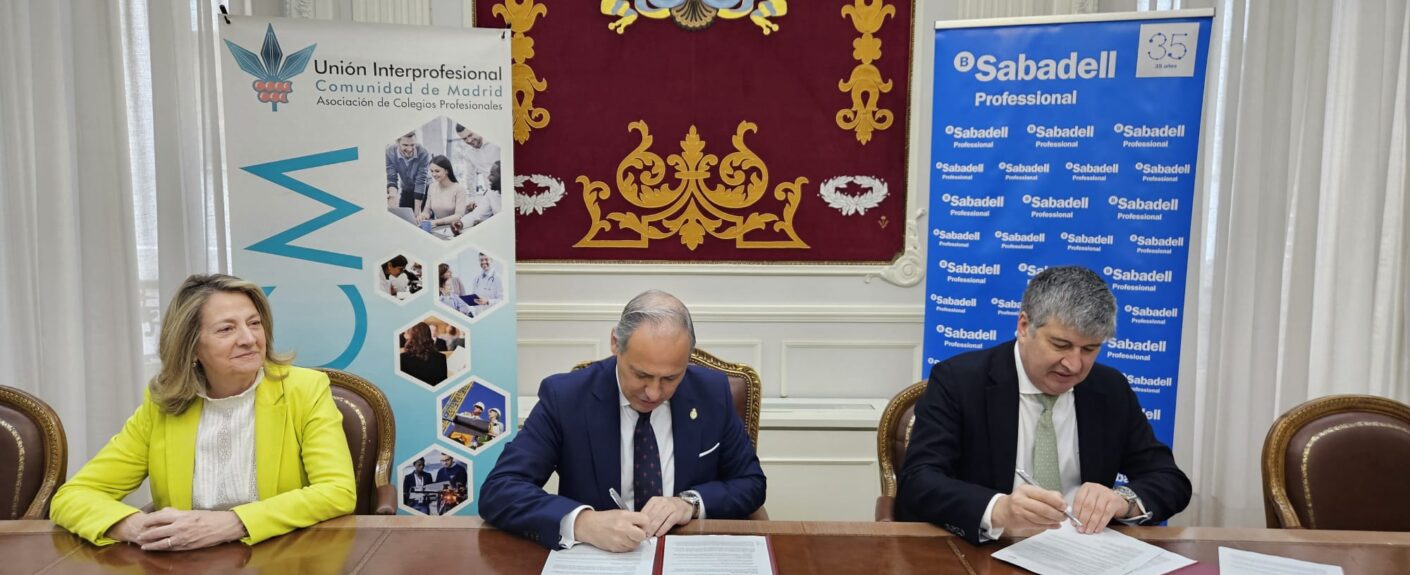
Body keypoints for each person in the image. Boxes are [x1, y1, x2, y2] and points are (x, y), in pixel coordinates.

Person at [50, 274, 356, 549]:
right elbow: (73, 496)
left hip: (282, 557)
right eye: (227, 329)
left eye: (254, 323)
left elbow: (337, 491)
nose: (249, 339)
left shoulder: (304, 390)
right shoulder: (163, 406)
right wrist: (137, 527)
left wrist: (234, 523)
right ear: (192, 346)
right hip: (185, 561)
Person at [895, 266, 1191, 545]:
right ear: (1024, 326)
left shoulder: (1110, 388)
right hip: (989, 548)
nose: (1074, 365)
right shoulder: (959, 381)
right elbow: (919, 480)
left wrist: (1123, 501)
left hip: (1084, 553)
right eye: (1061, 345)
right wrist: (999, 509)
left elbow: (1169, 479)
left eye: (1089, 349)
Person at [480, 290, 766, 552]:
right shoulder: (566, 398)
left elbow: (750, 482)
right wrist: (584, 523)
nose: (654, 393)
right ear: (616, 343)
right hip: (597, 556)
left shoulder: (711, 393)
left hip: (686, 554)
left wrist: (689, 503)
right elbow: (500, 489)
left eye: (670, 378)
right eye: (641, 375)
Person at [416, 155, 468, 236]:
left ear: (446, 171)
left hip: (455, 229)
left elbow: (458, 216)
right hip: (438, 229)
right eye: (432, 171)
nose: (434, 174)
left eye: (437, 171)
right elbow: (427, 211)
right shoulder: (431, 187)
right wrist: (422, 216)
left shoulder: (459, 189)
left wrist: (436, 222)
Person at [386, 132, 430, 212]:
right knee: (403, 215)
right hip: (406, 189)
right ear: (397, 142)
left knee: (421, 216)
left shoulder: (423, 152)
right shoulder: (390, 152)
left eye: (412, 145)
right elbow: (391, 178)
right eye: (405, 145)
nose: (409, 149)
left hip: (424, 190)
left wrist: (417, 212)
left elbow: (421, 181)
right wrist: (393, 196)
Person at [453, 123, 501, 191]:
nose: (469, 140)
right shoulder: (468, 154)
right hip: (491, 192)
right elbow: (470, 178)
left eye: (470, 135)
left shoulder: (496, 142)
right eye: (464, 139)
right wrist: (472, 195)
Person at [458, 159, 502, 231]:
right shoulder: (490, 193)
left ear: (503, 177)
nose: (488, 177)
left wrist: (487, 225)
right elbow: (476, 214)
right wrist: (461, 223)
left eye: (492, 174)